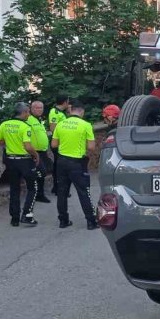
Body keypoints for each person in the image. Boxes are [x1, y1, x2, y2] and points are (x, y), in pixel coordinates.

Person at [51, 99, 98, 230]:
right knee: (84, 192)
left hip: (61, 162)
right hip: (77, 163)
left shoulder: (60, 124)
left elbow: (54, 144)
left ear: (71, 111)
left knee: (62, 192)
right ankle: (91, 221)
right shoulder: (86, 125)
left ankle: (63, 220)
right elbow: (92, 147)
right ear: (82, 112)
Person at [0, 102, 40, 227]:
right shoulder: (25, 127)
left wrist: (9, 141)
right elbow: (28, 146)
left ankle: (14, 218)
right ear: (24, 112)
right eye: (28, 112)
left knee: (14, 188)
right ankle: (27, 215)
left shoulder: (5, 124)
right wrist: (36, 155)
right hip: (25, 161)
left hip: (11, 161)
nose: (29, 114)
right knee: (33, 187)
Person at [27, 101, 53, 204]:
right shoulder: (29, 119)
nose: (39, 110)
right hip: (34, 152)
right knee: (40, 172)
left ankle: (39, 194)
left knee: (45, 171)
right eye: (37, 108)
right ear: (32, 109)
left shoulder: (39, 120)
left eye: (41, 108)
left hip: (43, 151)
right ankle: (38, 195)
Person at [48, 95, 70, 195]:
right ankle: (58, 189)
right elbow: (53, 129)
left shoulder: (61, 112)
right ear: (65, 102)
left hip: (62, 142)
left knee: (60, 165)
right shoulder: (54, 112)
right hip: (59, 143)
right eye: (68, 101)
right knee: (59, 166)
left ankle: (57, 188)